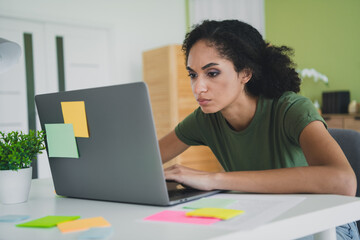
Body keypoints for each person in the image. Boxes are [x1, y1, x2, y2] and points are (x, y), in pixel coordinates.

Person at [159, 20, 359, 240]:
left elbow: (344, 182)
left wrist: (214, 179)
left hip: (325, 225)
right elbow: (145, 161)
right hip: (266, 222)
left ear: (245, 73)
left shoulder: (290, 108)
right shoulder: (205, 119)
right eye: (193, 75)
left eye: (212, 73)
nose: (198, 88)